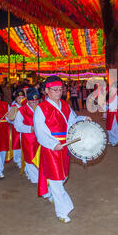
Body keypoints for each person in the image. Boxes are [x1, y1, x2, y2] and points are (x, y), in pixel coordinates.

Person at [33, 76, 91, 223]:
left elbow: (72, 119)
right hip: (51, 148)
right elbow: (40, 131)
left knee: (63, 176)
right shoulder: (41, 109)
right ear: (46, 91)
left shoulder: (65, 105)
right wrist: (53, 144)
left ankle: (52, 194)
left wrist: (83, 119)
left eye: (60, 89)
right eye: (55, 90)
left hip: (65, 146)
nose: (59, 92)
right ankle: (62, 211)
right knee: (56, 179)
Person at [14, 87, 41, 184]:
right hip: (28, 138)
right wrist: (30, 128)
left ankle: (39, 176)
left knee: (41, 157)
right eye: (32, 102)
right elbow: (17, 126)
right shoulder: (22, 110)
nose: (35, 104)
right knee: (30, 158)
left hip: (41, 139)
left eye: (36, 101)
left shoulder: (41, 108)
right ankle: (34, 178)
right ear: (28, 101)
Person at [8, 88, 26, 169]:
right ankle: (18, 160)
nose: (21, 100)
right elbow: (9, 118)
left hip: (26, 129)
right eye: (19, 98)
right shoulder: (14, 107)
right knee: (17, 145)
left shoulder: (26, 105)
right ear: (16, 98)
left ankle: (24, 159)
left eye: (23, 98)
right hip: (17, 130)